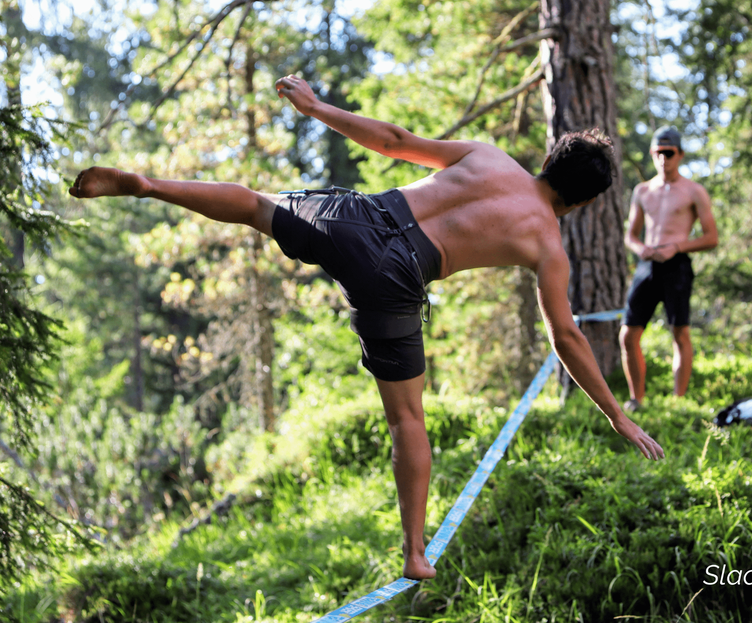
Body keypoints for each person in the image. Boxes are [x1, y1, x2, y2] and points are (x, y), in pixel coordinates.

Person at [70, 74, 665, 581]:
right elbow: (566, 337)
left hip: (362, 216)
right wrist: (617, 415)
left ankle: (148, 186)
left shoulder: (488, 157)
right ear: (584, 202)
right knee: (408, 419)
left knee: (253, 203)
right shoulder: (547, 245)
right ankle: (414, 553)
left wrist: (316, 108)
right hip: (396, 277)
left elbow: (394, 142)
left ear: (550, 158)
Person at [618, 126, 718, 412]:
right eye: (658, 153)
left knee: (679, 332)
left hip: (677, 266)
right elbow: (630, 236)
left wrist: (677, 247)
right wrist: (640, 249)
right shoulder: (642, 191)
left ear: (680, 154)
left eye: (669, 153)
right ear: (652, 153)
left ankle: (678, 400)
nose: (664, 158)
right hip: (647, 265)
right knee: (628, 334)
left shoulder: (694, 191)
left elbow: (711, 237)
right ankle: (636, 399)